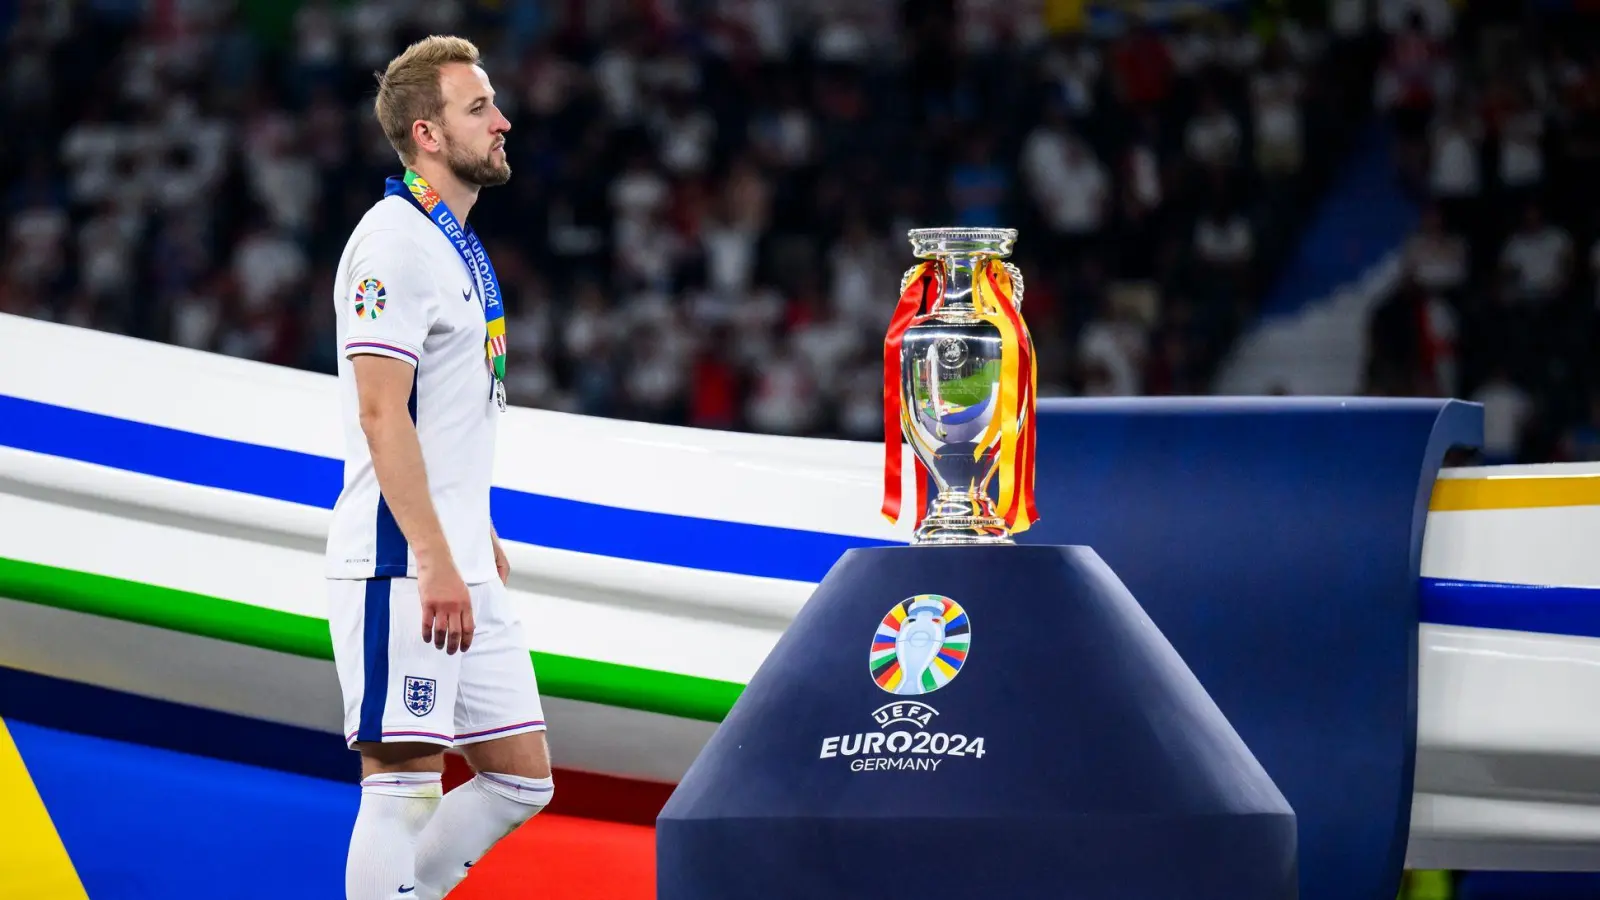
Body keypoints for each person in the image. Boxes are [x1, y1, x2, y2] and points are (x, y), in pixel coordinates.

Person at [324, 35, 551, 900]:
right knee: (403, 788)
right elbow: (381, 410)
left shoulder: (446, 238)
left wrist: (472, 526)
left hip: (453, 549)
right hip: (403, 561)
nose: (502, 121)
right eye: (478, 108)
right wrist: (431, 556)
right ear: (427, 133)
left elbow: (444, 412)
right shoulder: (392, 245)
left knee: (521, 778)